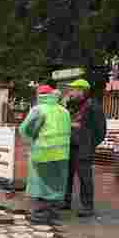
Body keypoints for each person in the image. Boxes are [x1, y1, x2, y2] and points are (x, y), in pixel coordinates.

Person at [18, 85, 72, 224]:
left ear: (40, 95)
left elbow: (25, 129)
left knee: (41, 183)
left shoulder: (39, 109)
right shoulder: (64, 111)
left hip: (43, 152)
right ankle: (53, 213)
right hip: (62, 153)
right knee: (56, 183)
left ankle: (40, 215)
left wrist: (32, 139)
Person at [59, 79, 107, 217]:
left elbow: (100, 130)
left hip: (83, 148)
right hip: (72, 146)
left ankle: (88, 206)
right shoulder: (75, 105)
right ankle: (65, 201)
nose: (70, 92)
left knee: (85, 177)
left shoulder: (93, 106)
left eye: (73, 90)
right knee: (67, 175)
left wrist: (89, 144)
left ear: (82, 90)